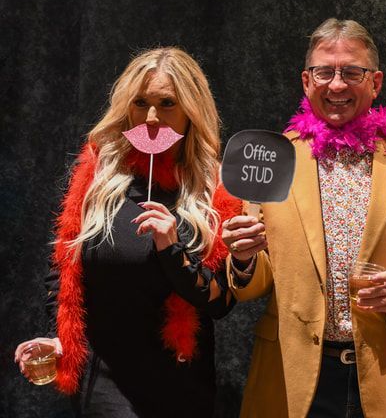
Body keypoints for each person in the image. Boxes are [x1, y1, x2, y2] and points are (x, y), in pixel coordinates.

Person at [222, 18, 386, 418]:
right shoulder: (275, 159)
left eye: (352, 72)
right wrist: (245, 258)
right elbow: (255, 285)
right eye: (324, 72)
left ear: (375, 83)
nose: (337, 85)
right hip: (293, 376)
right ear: (306, 81)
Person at [14, 47, 242, 417]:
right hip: (106, 382)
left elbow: (220, 303)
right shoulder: (98, 176)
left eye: (167, 103)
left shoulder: (214, 190)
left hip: (177, 386)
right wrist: (61, 337)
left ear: (191, 110)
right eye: (140, 103)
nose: (151, 117)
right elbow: (64, 270)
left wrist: (171, 247)